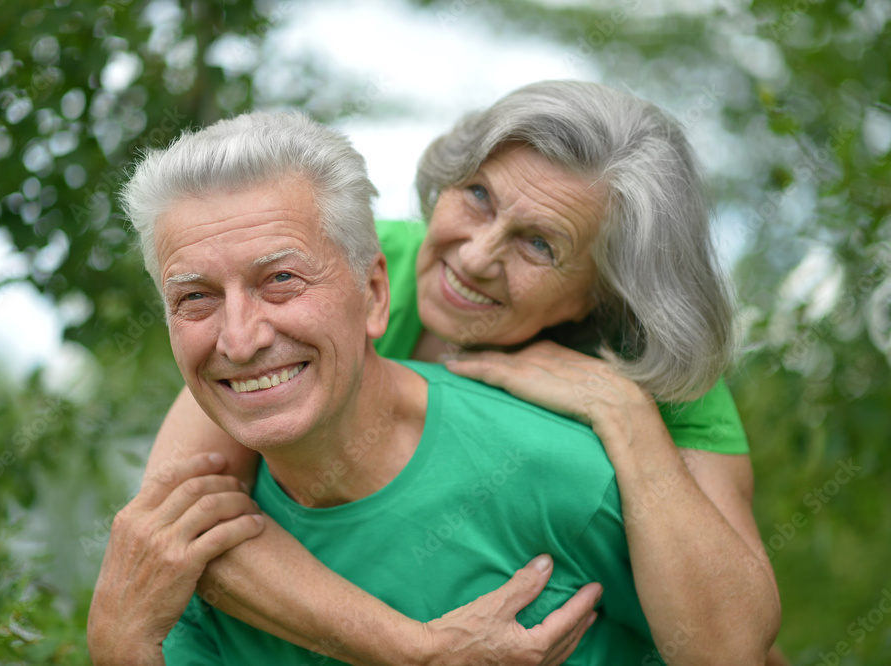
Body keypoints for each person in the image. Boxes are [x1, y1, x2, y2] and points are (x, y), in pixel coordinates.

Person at [100, 81, 783, 663]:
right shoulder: (350, 268)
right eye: (479, 196)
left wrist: (628, 418)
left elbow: (730, 645)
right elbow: (173, 534)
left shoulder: (656, 373)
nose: (476, 255)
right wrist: (418, 648)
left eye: (539, 243)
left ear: (602, 295)